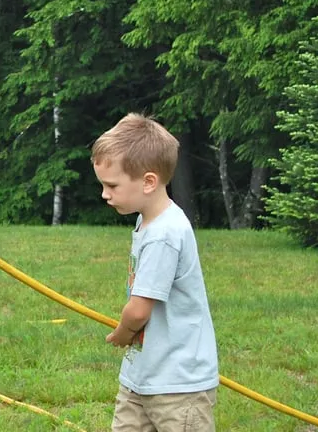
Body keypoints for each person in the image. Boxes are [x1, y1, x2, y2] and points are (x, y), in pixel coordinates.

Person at [91, 113, 219, 432]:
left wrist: (122, 334)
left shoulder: (165, 233)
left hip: (177, 384)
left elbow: (138, 312)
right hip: (144, 375)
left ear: (148, 181)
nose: (105, 194)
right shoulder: (148, 222)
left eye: (112, 185)